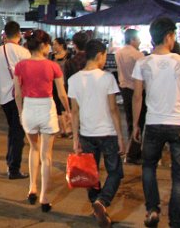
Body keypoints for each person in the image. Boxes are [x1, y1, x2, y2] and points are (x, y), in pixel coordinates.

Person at [132, 16, 180, 228]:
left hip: (154, 123)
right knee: (179, 176)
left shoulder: (143, 63)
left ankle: (153, 210)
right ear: (168, 37)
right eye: (174, 35)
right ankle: (176, 221)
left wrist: (136, 125)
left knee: (148, 167)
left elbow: (137, 96)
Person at [68, 38, 124, 228]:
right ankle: (102, 202)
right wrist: (121, 136)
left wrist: (75, 138)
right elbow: (113, 109)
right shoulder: (107, 78)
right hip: (107, 133)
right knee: (115, 172)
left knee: (91, 174)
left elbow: (74, 112)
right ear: (100, 55)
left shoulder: (73, 80)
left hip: (86, 133)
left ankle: (96, 205)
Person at [14, 29, 69, 212]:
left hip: (29, 107)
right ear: (43, 45)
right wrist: (68, 111)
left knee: (33, 149)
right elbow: (61, 94)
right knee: (47, 156)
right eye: (49, 45)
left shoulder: (21, 66)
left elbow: (17, 93)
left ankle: (32, 188)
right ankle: (44, 197)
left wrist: (21, 112)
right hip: (47, 108)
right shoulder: (53, 66)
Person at [0, 21, 30, 180]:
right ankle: (14, 168)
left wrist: (0, 93)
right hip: (19, 97)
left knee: (13, 130)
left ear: (5, 34)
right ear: (18, 34)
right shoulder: (24, 52)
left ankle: (10, 160)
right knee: (18, 132)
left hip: (5, 98)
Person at [115, 28, 146, 164]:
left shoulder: (118, 53)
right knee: (138, 121)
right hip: (136, 90)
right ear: (132, 39)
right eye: (138, 39)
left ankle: (130, 148)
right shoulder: (138, 55)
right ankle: (134, 152)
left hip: (124, 88)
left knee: (129, 119)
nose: (139, 42)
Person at [50, 37, 71, 137]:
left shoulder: (69, 55)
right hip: (53, 84)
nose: (53, 46)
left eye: (55, 44)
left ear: (61, 45)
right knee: (57, 106)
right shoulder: (51, 56)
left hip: (66, 83)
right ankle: (61, 129)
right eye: (53, 44)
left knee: (66, 105)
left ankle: (68, 129)